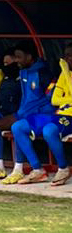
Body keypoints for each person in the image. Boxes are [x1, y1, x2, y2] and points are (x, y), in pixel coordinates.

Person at [12, 41, 72, 186]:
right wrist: (71, 95)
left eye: (70, 56)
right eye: (65, 56)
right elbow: (54, 100)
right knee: (18, 126)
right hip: (58, 115)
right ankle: (37, 170)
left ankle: (63, 169)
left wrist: (66, 75)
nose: (66, 60)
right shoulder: (64, 74)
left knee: (49, 130)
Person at [1, 39, 55, 185]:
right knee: (14, 125)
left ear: (30, 57)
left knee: (18, 126)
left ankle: (22, 169)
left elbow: (49, 100)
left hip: (42, 116)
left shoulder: (43, 73)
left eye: (19, 57)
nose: (16, 61)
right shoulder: (24, 70)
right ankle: (9, 167)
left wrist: (27, 114)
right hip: (24, 113)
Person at [0, 50, 22, 179]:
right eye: (4, 63)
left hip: (18, 115)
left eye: (8, 63)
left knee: (18, 128)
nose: (5, 66)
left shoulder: (23, 77)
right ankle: (0, 165)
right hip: (4, 113)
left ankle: (19, 168)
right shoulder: (6, 78)